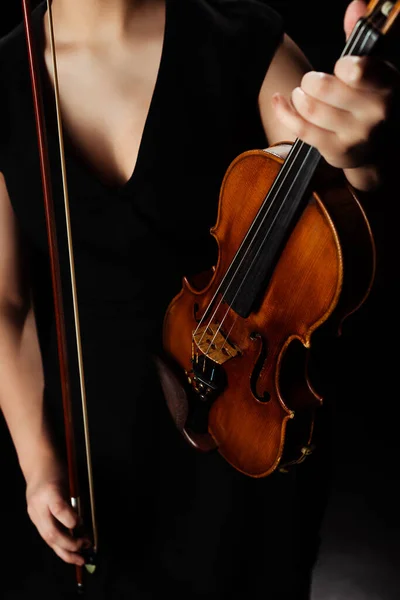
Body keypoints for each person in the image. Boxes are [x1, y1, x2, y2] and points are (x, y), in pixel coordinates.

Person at [0, 0, 398, 598]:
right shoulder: (6, 79)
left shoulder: (247, 45)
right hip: (96, 466)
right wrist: (38, 466)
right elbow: (7, 303)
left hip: (246, 442)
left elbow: (339, 206)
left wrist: (366, 160)